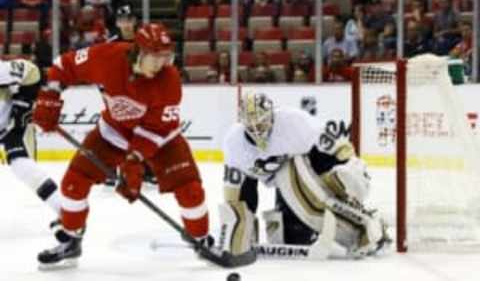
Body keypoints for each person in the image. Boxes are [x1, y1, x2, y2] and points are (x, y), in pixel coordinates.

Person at [32, 23, 211, 269]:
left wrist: (134, 160)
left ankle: (201, 240)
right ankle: (71, 239)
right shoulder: (106, 57)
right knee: (73, 183)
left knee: (190, 190)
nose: (161, 64)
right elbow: (64, 65)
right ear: (139, 51)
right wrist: (49, 96)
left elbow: (157, 129)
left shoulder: (169, 79)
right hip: (113, 131)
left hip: (161, 138)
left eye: (165, 57)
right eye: (155, 57)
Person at [218, 92, 391, 260]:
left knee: (309, 201)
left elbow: (336, 147)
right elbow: (237, 193)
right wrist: (236, 230)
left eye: (262, 123)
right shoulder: (235, 143)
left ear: (271, 115)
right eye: (252, 126)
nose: (258, 131)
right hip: (281, 184)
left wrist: (347, 174)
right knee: (293, 239)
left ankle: (364, 227)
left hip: (309, 167)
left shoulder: (293, 122)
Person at [0, 59, 61, 214]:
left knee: (21, 164)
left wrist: (23, 105)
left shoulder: (2, 71)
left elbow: (32, 71)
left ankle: (64, 210)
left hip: (9, 127)